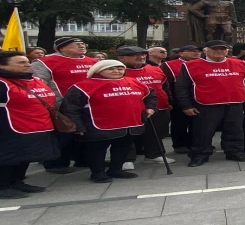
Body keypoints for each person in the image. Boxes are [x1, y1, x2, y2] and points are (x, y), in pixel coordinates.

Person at [61, 60, 156, 183]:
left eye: (120, 68)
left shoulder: (134, 82)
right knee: (97, 150)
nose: (116, 71)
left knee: (123, 148)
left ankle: (116, 170)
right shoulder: (82, 86)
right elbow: (70, 108)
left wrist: (150, 107)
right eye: (111, 69)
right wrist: (78, 126)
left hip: (130, 123)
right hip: (98, 125)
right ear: (98, 70)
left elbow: (150, 95)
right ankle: (97, 173)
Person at [175, 40, 245, 167]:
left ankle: (235, 152)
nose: (219, 51)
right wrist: (186, 105)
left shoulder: (239, 63)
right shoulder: (191, 65)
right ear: (205, 51)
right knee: (203, 132)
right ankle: (200, 155)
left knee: (235, 131)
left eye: (222, 49)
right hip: (206, 105)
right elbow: (182, 87)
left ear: (227, 51)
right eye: (215, 49)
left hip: (234, 103)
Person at [32, 37, 98, 174]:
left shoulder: (92, 61)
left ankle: (83, 159)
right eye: (76, 44)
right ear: (61, 48)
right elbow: (38, 83)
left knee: (85, 133)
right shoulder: (45, 62)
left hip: (90, 104)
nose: (81, 46)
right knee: (63, 135)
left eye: (83, 44)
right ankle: (56, 163)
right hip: (61, 104)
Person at [0, 51, 58, 198]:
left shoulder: (34, 79)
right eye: (21, 62)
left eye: (27, 61)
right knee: (8, 157)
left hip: (36, 125)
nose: (27, 64)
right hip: (11, 126)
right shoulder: (2, 83)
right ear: (2, 66)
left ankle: (17, 181)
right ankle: (3, 186)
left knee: (25, 156)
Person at [118, 46, 174, 165]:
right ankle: (126, 159)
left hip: (158, 106)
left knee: (157, 132)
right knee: (129, 134)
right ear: (121, 57)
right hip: (130, 108)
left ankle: (154, 154)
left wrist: (169, 101)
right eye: (134, 55)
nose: (141, 57)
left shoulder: (155, 69)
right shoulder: (117, 71)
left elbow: (165, 86)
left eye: (143, 54)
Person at [163, 45, 202, 155]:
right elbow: (166, 84)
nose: (196, 53)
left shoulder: (203, 63)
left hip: (200, 98)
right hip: (179, 98)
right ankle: (180, 145)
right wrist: (170, 100)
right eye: (192, 51)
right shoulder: (169, 65)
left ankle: (195, 143)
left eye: (198, 51)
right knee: (180, 123)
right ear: (181, 53)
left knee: (198, 123)